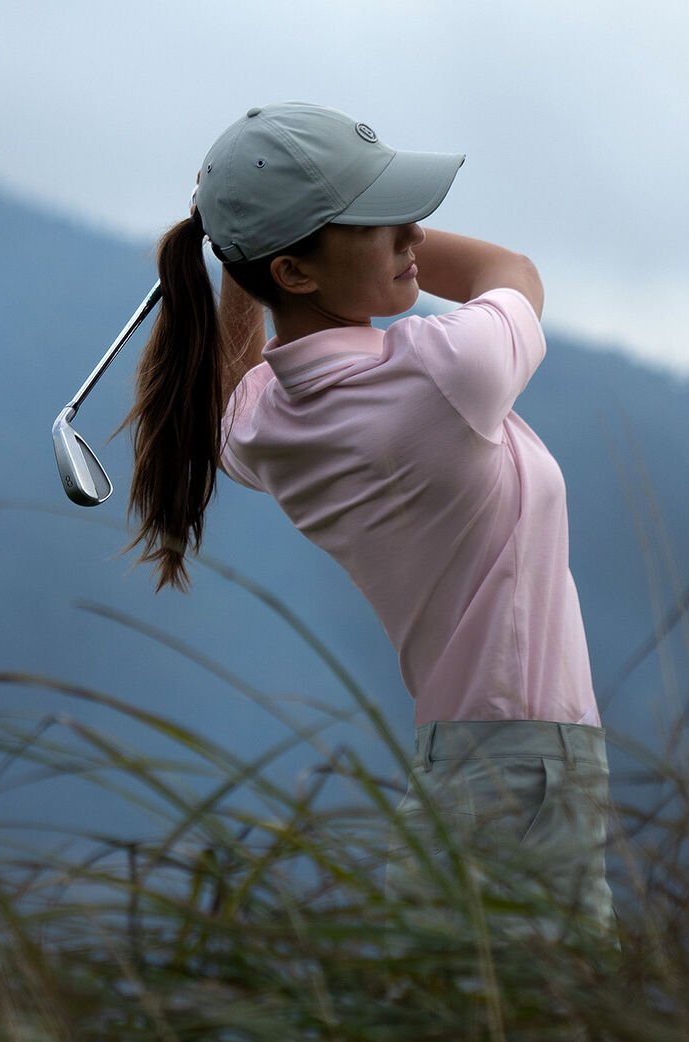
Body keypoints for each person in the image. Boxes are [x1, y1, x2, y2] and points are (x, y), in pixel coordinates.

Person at [122, 102, 617, 948]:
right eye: (376, 219)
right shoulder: (444, 370)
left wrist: (242, 242)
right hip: (526, 770)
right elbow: (511, 267)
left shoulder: (268, 423)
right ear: (295, 272)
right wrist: (247, 234)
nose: (412, 232)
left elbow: (238, 373)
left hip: (460, 773)